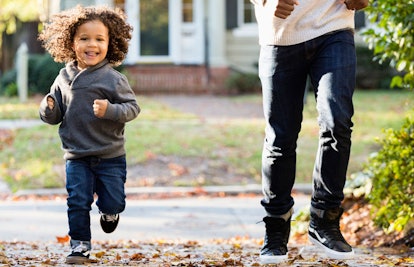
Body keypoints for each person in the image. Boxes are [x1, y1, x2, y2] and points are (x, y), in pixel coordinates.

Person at [250, 0, 368, 264]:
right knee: (281, 136)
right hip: (280, 35)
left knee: (337, 122)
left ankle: (324, 217)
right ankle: (276, 227)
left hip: (334, 28)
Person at [38, 5, 140, 264]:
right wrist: (48, 107)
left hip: (110, 155)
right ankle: (79, 245)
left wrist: (110, 110)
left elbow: (132, 108)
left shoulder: (113, 79)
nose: (91, 44)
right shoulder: (63, 78)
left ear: (110, 43)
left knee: (113, 200)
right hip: (77, 155)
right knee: (77, 202)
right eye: (84, 38)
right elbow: (54, 116)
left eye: (99, 39)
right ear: (71, 43)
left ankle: (110, 212)